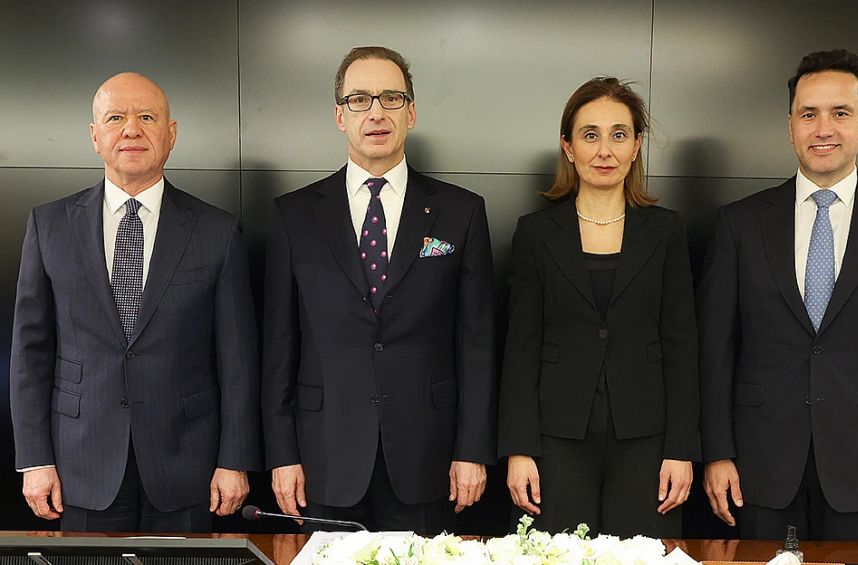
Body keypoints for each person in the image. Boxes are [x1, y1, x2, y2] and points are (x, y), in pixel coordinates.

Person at [698, 49, 858, 541]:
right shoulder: (739, 222)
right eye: (808, 114)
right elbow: (715, 349)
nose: (823, 129)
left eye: (840, 113)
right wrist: (717, 452)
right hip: (757, 468)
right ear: (790, 125)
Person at [9, 72, 261, 532]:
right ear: (94, 136)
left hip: (188, 464)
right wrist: (34, 459)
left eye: (147, 117)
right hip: (79, 464)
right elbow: (30, 354)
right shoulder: (49, 226)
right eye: (115, 118)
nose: (131, 129)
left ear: (171, 133)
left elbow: (237, 359)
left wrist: (234, 460)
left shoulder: (217, 231)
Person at [261, 46, 497, 534]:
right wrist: (282, 455)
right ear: (340, 116)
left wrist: (472, 450)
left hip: (428, 458)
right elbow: (279, 347)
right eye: (360, 99)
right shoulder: (294, 216)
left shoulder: (461, 212)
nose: (376, 112)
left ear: (411, 112)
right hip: (323, 457)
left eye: (391, 98)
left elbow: (477, 343)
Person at [498, 77, 700, 538]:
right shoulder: (535, 233)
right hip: (555, 439)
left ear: (636, 146)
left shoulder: (666, 231)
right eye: (590, 135)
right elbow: (520, 349)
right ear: (568, 147)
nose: (604, 150)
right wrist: (518, 449)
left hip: (647, 441)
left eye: (618, 134)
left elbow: (682, 346)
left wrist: (681, 449)